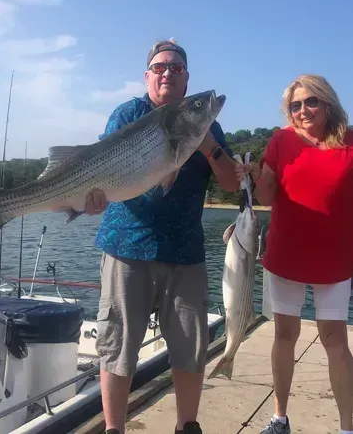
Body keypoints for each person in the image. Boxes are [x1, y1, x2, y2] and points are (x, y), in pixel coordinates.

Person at [85, 39, 239, 434]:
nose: (167, 72)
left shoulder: (209, 123)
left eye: (176, 68)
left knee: (190, 350)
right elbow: (98, 168)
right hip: (126, 248)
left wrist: (208, 146)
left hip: (184, 253)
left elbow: (232, 185)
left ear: (187, 79)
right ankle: (114, 429)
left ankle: (187, 427)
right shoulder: (129, 114)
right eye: (160, 67)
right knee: (118, 348)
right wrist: (89, 197)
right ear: (147, 76)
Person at [235, 74, 353, 434]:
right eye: (295, 105)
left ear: (327, 103)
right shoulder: (281, 139)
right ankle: (279, 418)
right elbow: (268, 196)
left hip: (336, 256)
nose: (303, 110)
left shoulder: (350, 140)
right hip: (285, 252)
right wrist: (255, 175)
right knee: (284, 335)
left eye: (311, 101)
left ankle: (348, 426)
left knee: (335, 339)